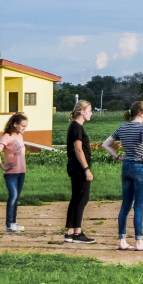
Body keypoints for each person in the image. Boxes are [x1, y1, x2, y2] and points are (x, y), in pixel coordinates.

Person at [104, 102, 143, 251]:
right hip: (140, 167)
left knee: (125, 205)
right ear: (140, 112)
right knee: (138, 206)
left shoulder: (123, 127)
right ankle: (139, 242)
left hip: (127, 166)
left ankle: (122, 240)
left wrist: (118, 157)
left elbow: (106, 144)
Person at [64, 101, 96, 244]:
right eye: (89, 110)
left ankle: (70, 231)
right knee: (82, 199)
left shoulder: (75, 126)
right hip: (78, 168)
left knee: (76, 198)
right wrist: (86, 168)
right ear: (82, 111)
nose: (91, 113)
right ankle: (77, 232)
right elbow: (78, 149)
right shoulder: (76, 127)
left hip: (75, 167)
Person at [0, 114, 28, 232]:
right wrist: (3, 166)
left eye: (25, 126)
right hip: (11, 173)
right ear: (15, 124)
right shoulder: (7, 136)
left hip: (21, 172)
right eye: (22, 126)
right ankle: (9, 224)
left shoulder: (20, 137)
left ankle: (14, 222)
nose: (24, 128)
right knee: (13, 196)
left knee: (16, 197)